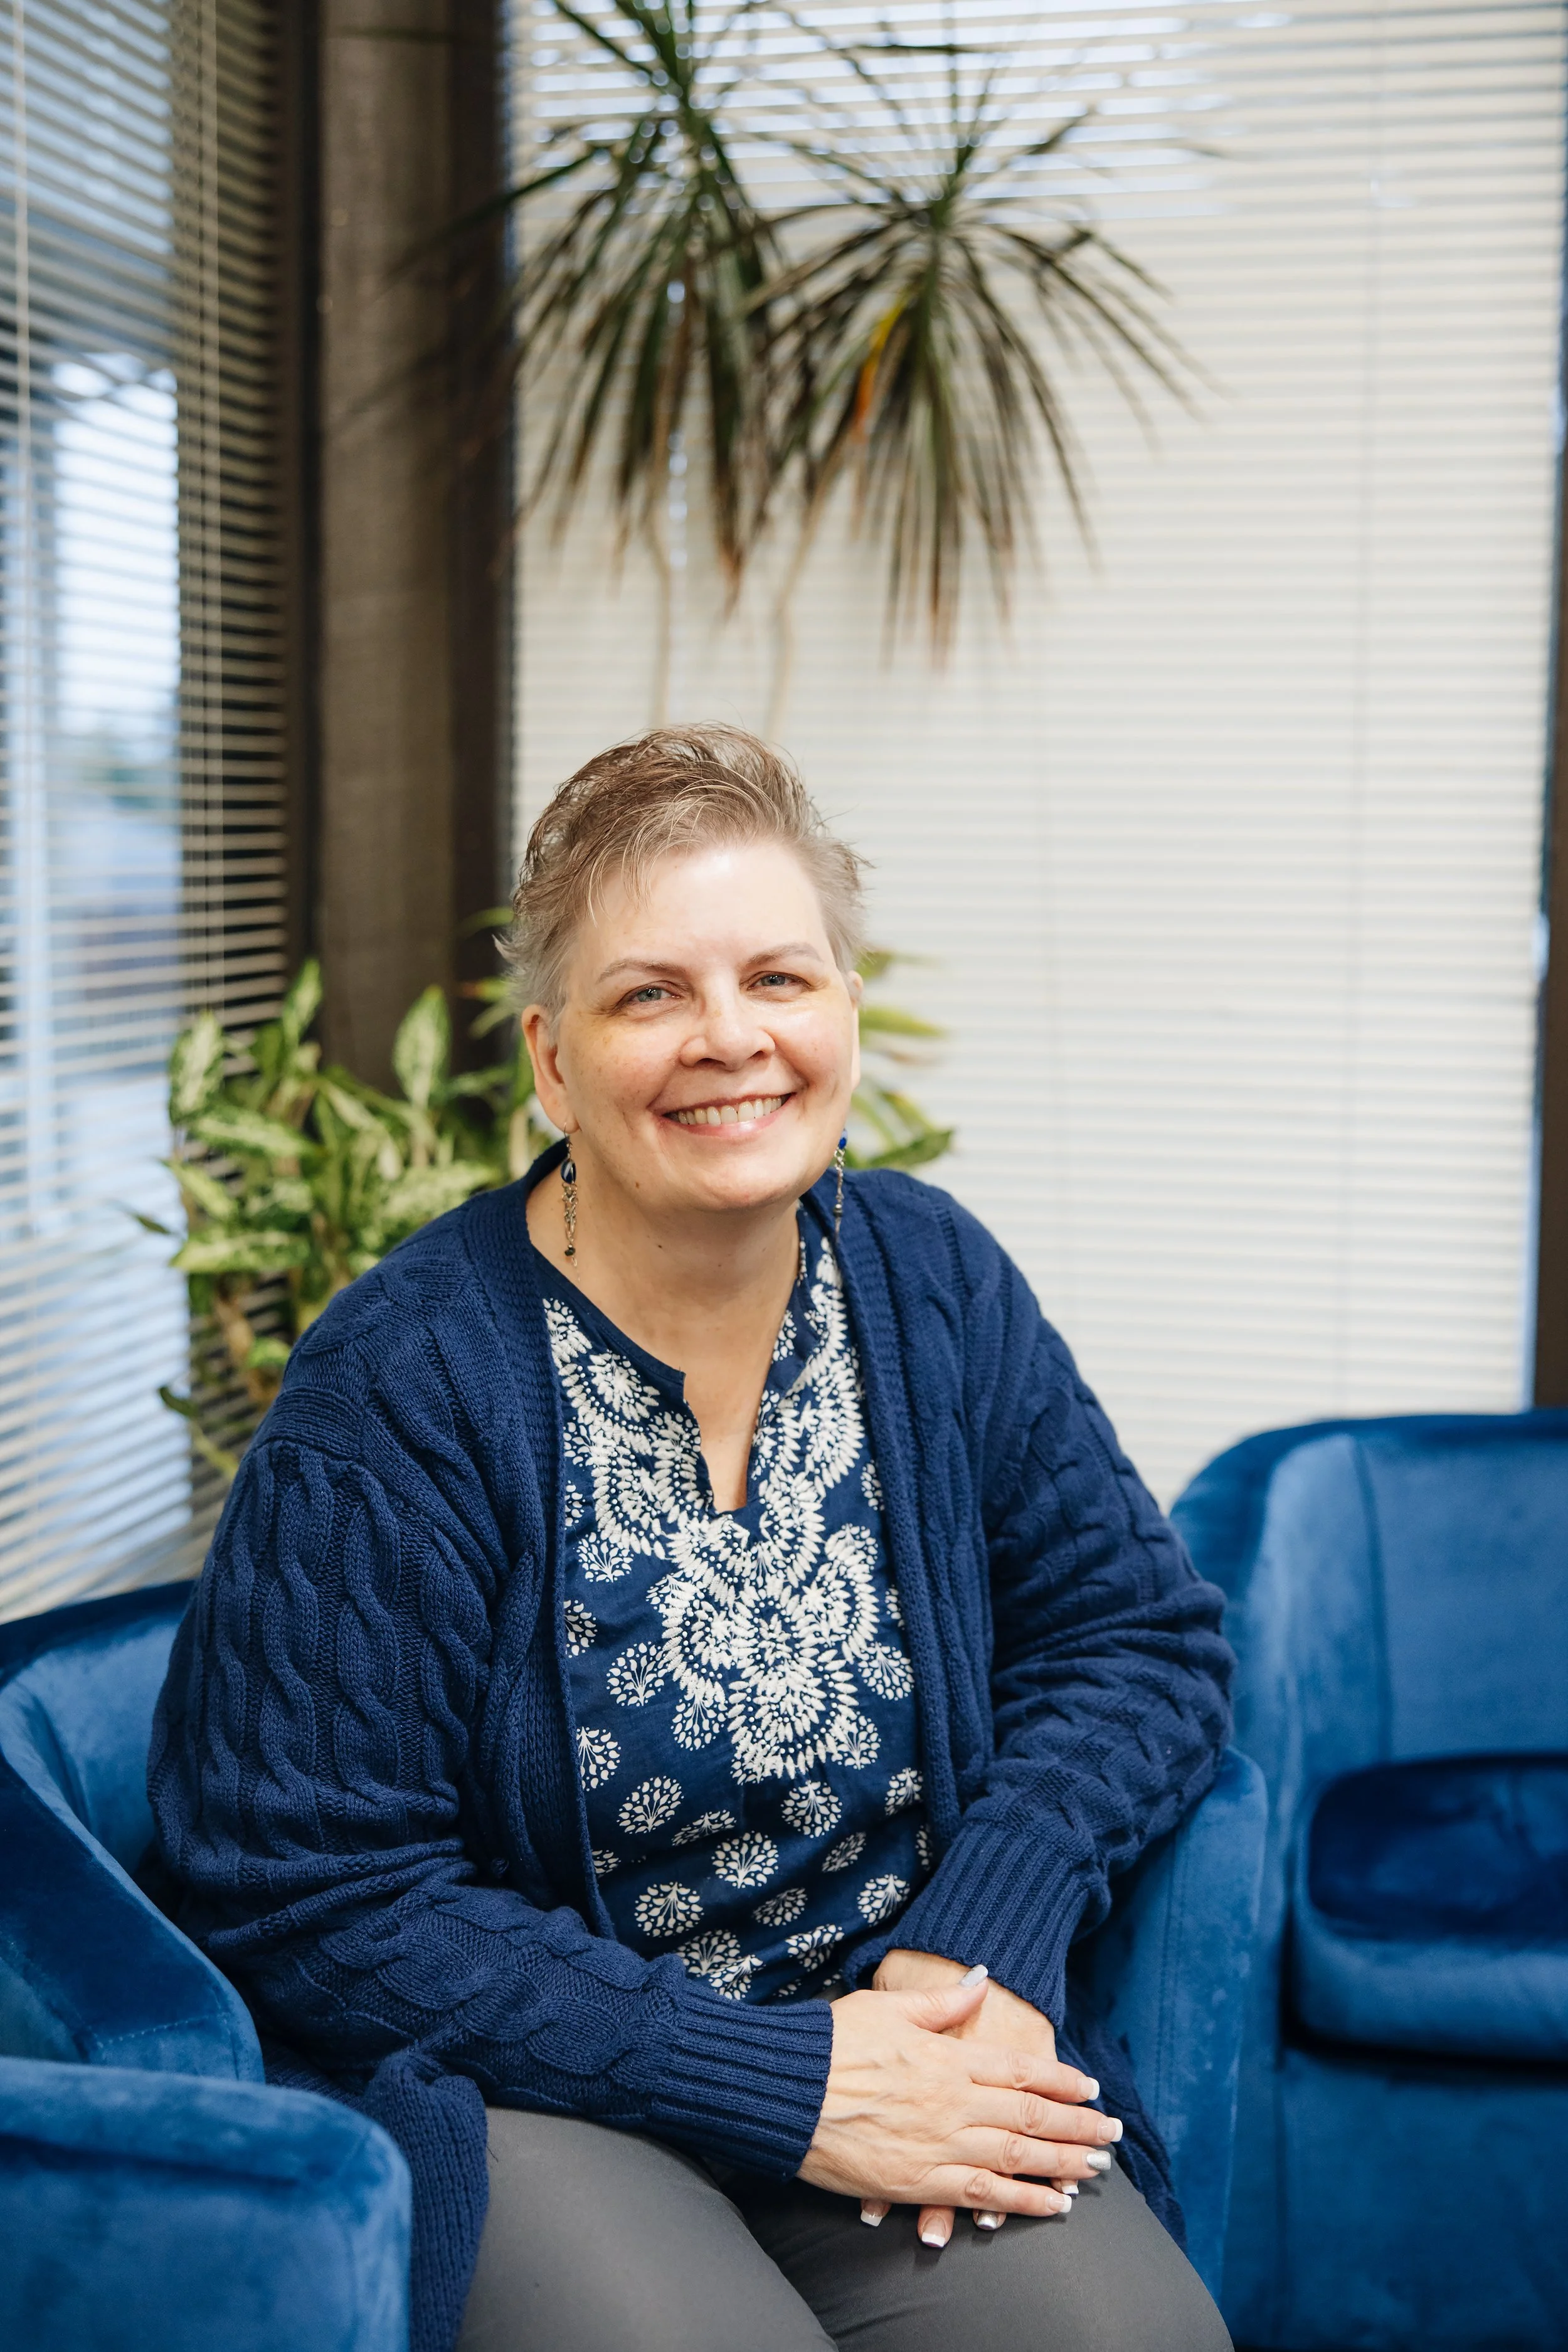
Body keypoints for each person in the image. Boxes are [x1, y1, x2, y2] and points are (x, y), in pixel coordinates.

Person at [149, 726, 1235, 2352]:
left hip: (893, 2035)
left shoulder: (930, 1283)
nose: (730, 1038)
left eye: (779, 978)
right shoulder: (403, 1380)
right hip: (543, 2089)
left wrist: (980, 1936)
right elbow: (303, 1882)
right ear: (547, 1057)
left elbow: (1133, 1638)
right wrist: (769, 2077)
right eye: (648, 992)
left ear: (845, 1014)